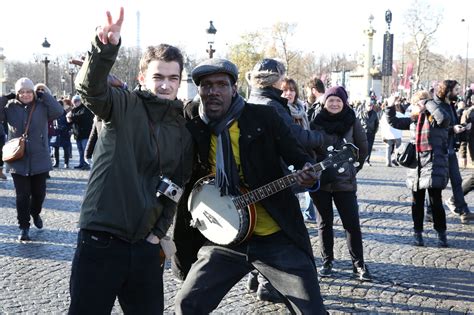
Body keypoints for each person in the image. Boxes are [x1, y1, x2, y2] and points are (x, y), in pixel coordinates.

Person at [173, 58, 327, 314]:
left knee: (312, 311)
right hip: (223, 236)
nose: (213, 91)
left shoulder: (263, 117)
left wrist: (308, 175)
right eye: (206, 85)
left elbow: (299, 158)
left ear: (235, 88)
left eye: (221, 84)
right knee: (186, 304)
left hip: (274, 237)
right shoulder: (192, 118)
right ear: (199, 90)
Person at [68, 8, 193, 314]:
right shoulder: (122, 105)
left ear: (179, 81)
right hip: (100, 241)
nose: (165, 84)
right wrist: (105, 47)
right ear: (142, 77)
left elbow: (176, 186)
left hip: (145, 248)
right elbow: (90, 89)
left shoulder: (182, 130)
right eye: (158, 77)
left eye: (172, 78)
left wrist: (157, 233)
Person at [246, 58, 323, 302]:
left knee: (259, 233)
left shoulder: (252, 100)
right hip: (274, 180)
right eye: (283, 78)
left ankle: (257, 277)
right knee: (282, 237)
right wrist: (323, 138)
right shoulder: (272, 105)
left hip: (256, 180)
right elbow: (295, 139)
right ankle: (270, 285)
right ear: (277, 79)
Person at [309, 86, 371, 281]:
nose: (334, 104)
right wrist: (316, 171)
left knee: (351, 223)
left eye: (338, 100)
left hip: (345, 182)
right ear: (324, 102)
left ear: (344, 102)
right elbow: (309, 148)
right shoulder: (315, 121)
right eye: (331, 100)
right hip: (321, 181)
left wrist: (353, 169)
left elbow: (363, 147)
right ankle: (327, 262)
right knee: (324, 223)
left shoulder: (352, 120)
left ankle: (358, 264)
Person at [0, 78, 63, 241]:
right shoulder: (10, 107)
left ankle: (35, 213)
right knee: (22, 196)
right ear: (17, 93)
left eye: (28, 91)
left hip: (39, 158)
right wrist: (7, 97)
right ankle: (24, 227)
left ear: (33, 92)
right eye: (21, 92)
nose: (25, 94)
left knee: (39, 194)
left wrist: (44, 95)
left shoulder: (42, 106)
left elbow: (58, 111)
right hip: (17, 158)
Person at [386, 91, 450, 247]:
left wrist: (427, 102)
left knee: (436, 202)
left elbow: (444, 118)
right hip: (416, 166)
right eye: (415, 103)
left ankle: (441, 233)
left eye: (419, 103)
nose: (417, 106)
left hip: (433, 164)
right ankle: (418, 233)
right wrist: (390, 106)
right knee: (417, 203)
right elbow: (393, 122)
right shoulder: (413, 121)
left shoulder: (435, 120)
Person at [433, 80, 474, 224]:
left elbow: (452, 126)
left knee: (457, 181)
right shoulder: (436, 105)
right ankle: (429, 211)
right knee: (435, 183)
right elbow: (437, 127)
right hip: (439, 150)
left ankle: (463, 211)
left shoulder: (451, 105)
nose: (458, 92)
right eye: (456, 90)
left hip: (450, 149)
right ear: (447, 90)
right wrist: (453, 129)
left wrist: (463, 127)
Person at [281, 77, 317, 222]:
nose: (289, 93)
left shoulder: (301, 110)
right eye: (284, 90)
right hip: (285, 159)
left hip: (301, 155)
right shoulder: (279, 110)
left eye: (292, 90)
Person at [66, 94, 94, 170]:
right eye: (73, 101)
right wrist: (70, 119)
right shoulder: (74, 109)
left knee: (85, 150)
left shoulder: (85, 108)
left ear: (80, 101)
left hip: (85, 133)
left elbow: (82, 117)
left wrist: (71, 117)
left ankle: (86, 164)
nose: (75, 103)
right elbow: (70, 120)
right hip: (77, 133)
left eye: (76, 101)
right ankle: (81, 163)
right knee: (80, 150)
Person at [380, 99, 404, 167]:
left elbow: (382, 125)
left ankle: (388, 161)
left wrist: (383, 135)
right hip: (397, 134)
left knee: (388, 148)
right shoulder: (399, 114)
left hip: (389, 134)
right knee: (398, 148)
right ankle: (395, 159)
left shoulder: (385, 115)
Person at [51, 99, 72, 168]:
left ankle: (66, 163)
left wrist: (67, 129)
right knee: (55, 148)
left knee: (66, 148)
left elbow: (69, 123)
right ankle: (56, 162)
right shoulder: (53, 113)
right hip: (56, 132)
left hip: (64, 132)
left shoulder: (65, 113)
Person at [357, 99, 379, 166]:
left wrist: (374, 132)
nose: (370, 107)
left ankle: (367, 160)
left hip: (371, 133)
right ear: (365, 105)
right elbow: (357, 122)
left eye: (371, 105)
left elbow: (377, 123)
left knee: (369, 147)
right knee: (361, 147)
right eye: (369, 105)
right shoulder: (361, 112)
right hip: (362, 133)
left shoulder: (374, 113)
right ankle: (359, 160)